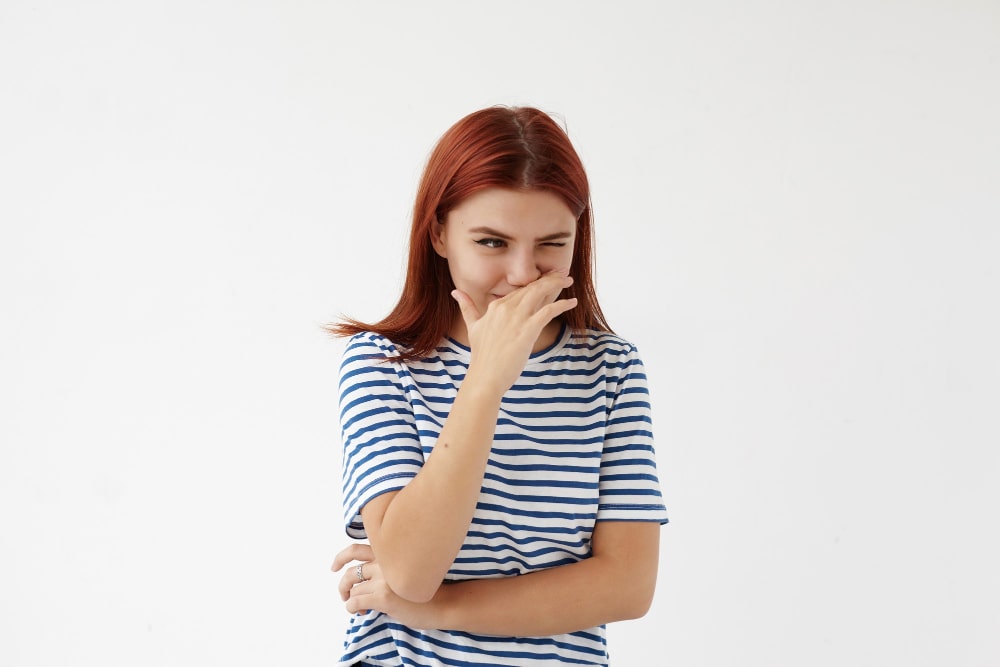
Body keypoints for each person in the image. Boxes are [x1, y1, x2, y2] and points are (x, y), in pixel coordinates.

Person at [329, 105, 668, 666]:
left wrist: (439, 609)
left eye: (552, 244)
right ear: (439, 233)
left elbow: (627, 587)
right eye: (491, 242)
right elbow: (412, 570)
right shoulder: (382, 362)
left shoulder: (610, 369)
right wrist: (485, 381)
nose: (522, 273)